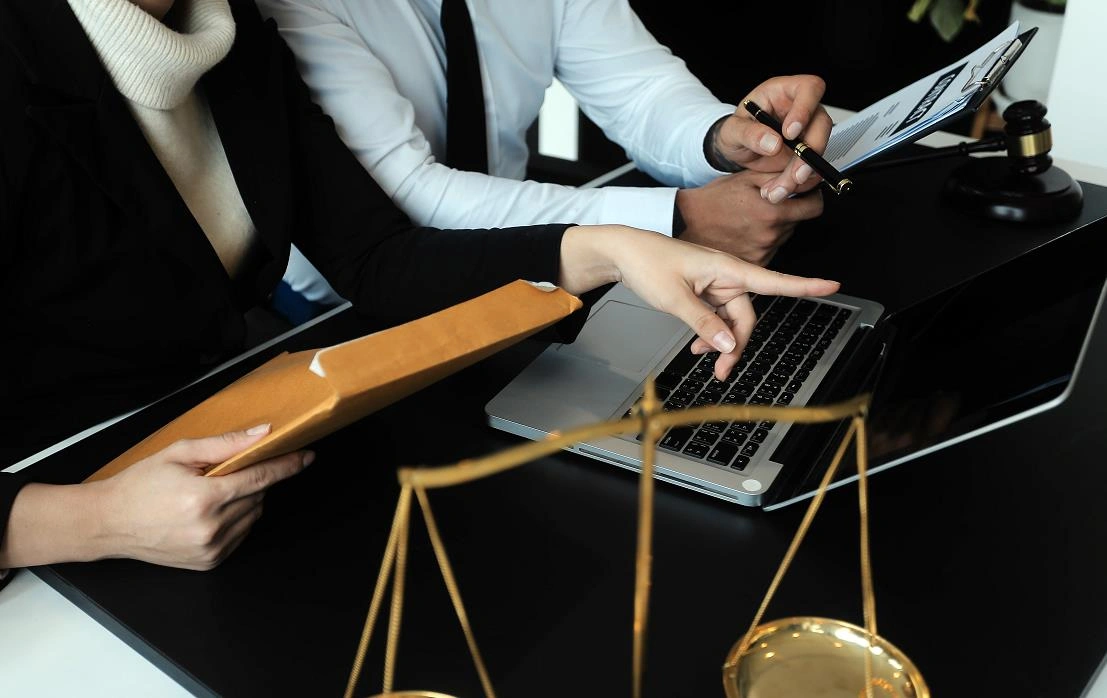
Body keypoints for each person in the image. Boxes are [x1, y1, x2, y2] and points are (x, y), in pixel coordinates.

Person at [0, 0, 838, 581]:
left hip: (214, 447)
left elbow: (377, 255)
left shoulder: (229, 28)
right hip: (60, 505)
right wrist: (93, 520)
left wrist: (613, 248)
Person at [258, 0, 834, 308]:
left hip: (546, 266)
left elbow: (640, 92)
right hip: (345, 309)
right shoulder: (291, 4)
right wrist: (677, 219)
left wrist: (725, 137)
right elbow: (410, 198)